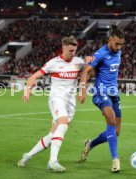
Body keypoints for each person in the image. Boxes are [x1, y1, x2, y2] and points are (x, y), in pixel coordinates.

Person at [18, 36, 89, 172]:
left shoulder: (78, 62)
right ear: (63, 48)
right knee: (63, 124)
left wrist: (90, 59)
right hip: (56, 98)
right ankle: (53, 161)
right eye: (70, 50)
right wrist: (27, 90)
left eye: (74, 50)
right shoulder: (53, 63)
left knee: (53, 135)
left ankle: (27, 156)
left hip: (70, 103)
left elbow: (88, 69)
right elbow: (33, 77)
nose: (72, 53)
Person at [78, 25, 124, 173]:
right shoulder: (100, 53)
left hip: (113, 93)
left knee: (116, 131)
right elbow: (86, 71)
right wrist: (83, 90)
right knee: (110, 118)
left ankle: (90, 144)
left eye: (121, 44)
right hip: (100, 92)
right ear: (109, 40)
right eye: (116, 43)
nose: (119, 47)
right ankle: (115, 160)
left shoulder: (119, 52)